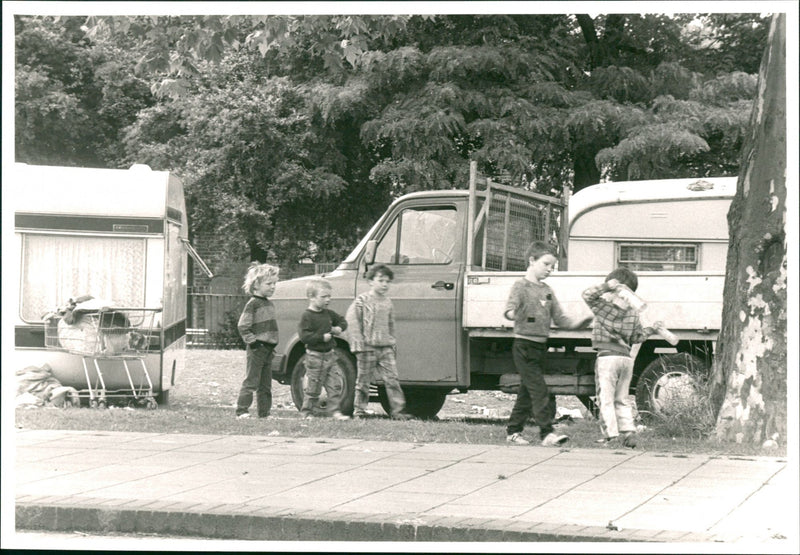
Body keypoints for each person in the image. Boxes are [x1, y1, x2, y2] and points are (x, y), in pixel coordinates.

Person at [503, 241, 592, 446]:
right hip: (523, 346)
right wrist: (515, 313)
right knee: (539, 390)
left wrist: (581, 322)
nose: (549, 270)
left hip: (540, 348)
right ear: (532, 261)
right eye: (546, 264)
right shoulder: (520, 286)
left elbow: (561, 320)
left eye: (552, 266)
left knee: (527, 391)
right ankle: (547, 433)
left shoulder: (548, 291)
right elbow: (509, 310)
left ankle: (513, 432)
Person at [582, 268, 663, 448]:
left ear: (614, 290)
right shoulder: (633, 313)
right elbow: (637, 338)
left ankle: (610, 435)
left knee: (605, 398)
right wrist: (651, 330)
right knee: (622, 398)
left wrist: (605, 286)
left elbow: (587, 295)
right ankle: (628, 431)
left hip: (607, 358)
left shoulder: (604, 307)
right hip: (626, 359)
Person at [345, 264, 412, 420]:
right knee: (363, 381)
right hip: (366, 348)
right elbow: (352, 320)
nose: (384, 284)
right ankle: (359, 411)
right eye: (380, 280)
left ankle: (397, 410)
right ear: (370, 281)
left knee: (392, 379)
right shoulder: (361, 300)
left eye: (387, 281)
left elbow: (391, 325)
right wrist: (357, 342)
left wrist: (392, 342)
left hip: (385, 348)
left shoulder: (388, 302)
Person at [298, 278, 350, 420]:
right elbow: (304, 336)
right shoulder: (307, 316)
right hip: (314, 357)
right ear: (311, 297)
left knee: (335, 385)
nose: (328, 300)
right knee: (314, 388)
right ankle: (307, 412)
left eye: (329, 296)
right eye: (324, 296)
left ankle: (334, 412)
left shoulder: (328, 313)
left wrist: (339, 328)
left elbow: (342, 320)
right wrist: (321, 337)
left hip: (330, 356)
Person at [235, 262, 280, 419]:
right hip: (257, 348)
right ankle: (242, 410)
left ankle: (264, 413)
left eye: (275, 283)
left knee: (265, 385)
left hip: (268, 349)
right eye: (269, 283)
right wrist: (253, 342)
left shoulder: (269, 303)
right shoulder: (253, 304)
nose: (273, 287)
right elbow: (243, 325)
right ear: (256, 285)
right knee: (252, 381)